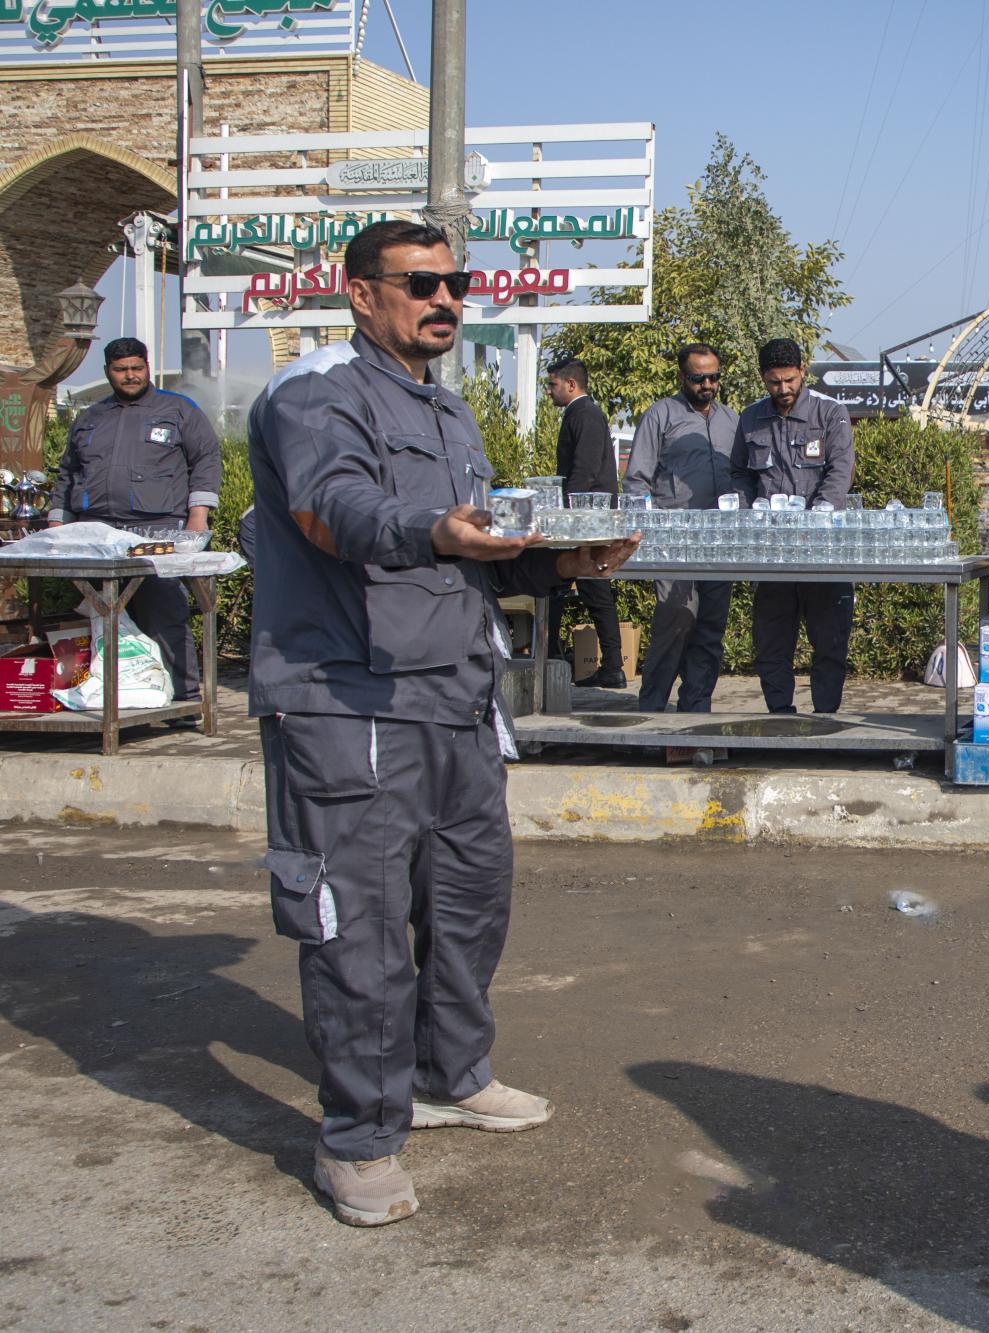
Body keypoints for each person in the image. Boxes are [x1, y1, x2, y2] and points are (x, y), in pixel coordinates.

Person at [244, 219, 638, 1228]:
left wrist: (560, 564)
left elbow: (470, 552)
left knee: (469, 897)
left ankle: (449, 1073)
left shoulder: (447, 408)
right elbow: (332, 509)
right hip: (351, 699)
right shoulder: (314, 393)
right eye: (421, 284)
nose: (446, 300)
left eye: (455, 283)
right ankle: (359, 1135)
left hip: (456, 695)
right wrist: (428, 527)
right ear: (360, 291)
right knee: (362, 924)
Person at [47, 337, 221, 707]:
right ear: (108, 371)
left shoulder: (179, 410)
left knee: (163, 615)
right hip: (97, 534)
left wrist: (198, 515)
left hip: (157, 530)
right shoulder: (90, 417)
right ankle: (114, 701)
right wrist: (57, 525)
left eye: (136, 368)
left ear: (147, 367)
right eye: (121, 369)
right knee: (103, 621)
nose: (130, 375)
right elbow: (68, 474)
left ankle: (184, 701)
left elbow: (206, 460)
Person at [730, 337, 855, 713]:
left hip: (824, 552)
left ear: (803, 371)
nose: (783, 389)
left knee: (830, 642)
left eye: (789, 380)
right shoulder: (750, 418)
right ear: (762, 377)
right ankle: (779, 718)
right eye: (774, 382)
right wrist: (745, 512)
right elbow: (739, 474)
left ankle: (825, 720)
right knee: (770, 643)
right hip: (772, 554)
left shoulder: (830, 413)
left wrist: (818, 518)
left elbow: (840, 471)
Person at [624, 343, 737, 712]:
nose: (707, 385)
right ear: (681, 376)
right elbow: (636, 481)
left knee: (710, 628)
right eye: (698, 378)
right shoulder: (660, 415)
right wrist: (648, 532)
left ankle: (696, 708)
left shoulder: (730, 420)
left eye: (713, 377)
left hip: (719, 541)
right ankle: (652, 706)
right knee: (676, 620)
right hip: (674, 543)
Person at [545, 358, 626, 688]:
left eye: (552, 384)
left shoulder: (585, 414)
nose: (548, 391)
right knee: (573, 587)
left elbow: (585, 470)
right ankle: (560, 657)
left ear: (571, 384)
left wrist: (569, 514)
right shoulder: (579, 414)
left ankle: (610, 665)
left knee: (590, 588)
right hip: (585, 516)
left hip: (587, 519)